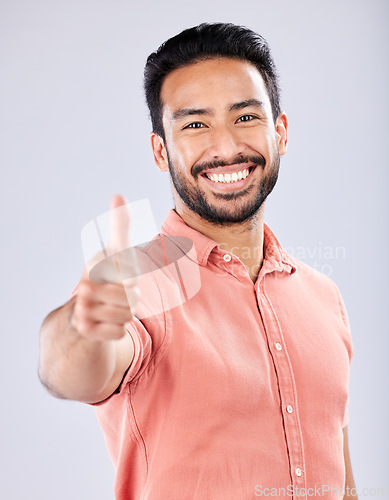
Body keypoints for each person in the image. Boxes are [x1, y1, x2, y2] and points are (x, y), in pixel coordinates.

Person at [39, 23, 358, 499]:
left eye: (245, 117)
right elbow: (72, 371)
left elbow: (343, 478)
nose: (226, 147)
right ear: (160, 150)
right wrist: (82, 330)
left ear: (281, 132)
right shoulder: (140, 284)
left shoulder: (323, 297)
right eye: (195, 124)